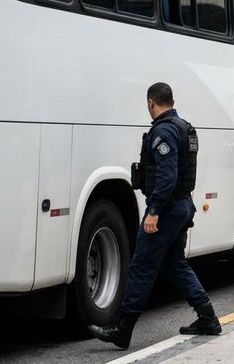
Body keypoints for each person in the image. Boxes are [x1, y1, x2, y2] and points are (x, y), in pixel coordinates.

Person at [89, 83, 221, 349]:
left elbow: (168, 175)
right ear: (173, 100)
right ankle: (207, 317)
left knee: (141, 267)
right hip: (183, 206)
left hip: (168, 209)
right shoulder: (185, 127)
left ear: (151, 102)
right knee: (174, 263)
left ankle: (122, 330)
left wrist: (154, 211)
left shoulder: (163, 131)